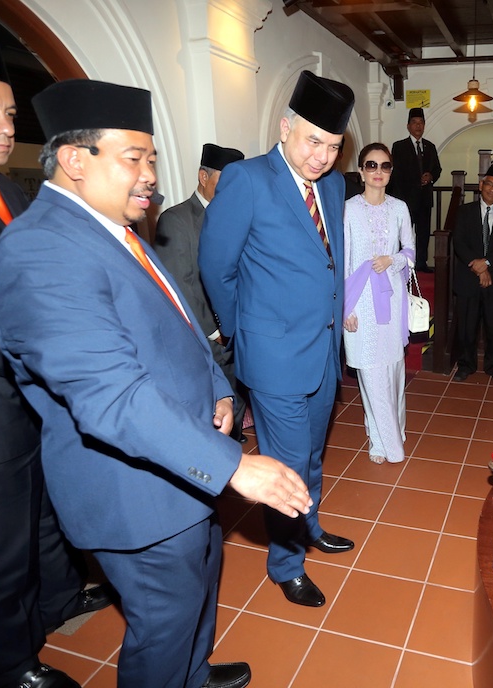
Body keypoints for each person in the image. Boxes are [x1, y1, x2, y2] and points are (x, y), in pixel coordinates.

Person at [0, 78, 313, 688]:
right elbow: (109, 395)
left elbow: (181, 324)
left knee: (196, 592)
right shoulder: (41, 249)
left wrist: (218, 388)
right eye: (133, 158)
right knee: (162, 625)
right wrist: (233, 466)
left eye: (153, 158)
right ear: (74, 159)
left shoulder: (119, 229)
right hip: (133, 487)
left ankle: (193, 673)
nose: (149, 174)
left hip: (181, 467)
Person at [0, 37, 114, 688]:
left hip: (33, 402)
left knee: (44, 515)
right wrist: (55, 353)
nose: (5, 125)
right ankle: (7, 665)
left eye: (11, 114)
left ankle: (58, 601)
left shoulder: (11, 192)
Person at [199, 70, 356, 609]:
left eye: (333, 147)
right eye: (314, 141)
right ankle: (286, 564)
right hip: (273, 358)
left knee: (311, 457)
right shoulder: (247, 179)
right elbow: (216, 267)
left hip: (321, 354)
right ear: (286, 127)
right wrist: (245, 333)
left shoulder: (333, 186)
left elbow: (329, 265)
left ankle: (308, 528)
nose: (322, 157)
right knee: (286, 464)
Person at [154, 143, 247, 442]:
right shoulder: (177, 220)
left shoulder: (239, 217)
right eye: (223, 183)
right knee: (213, 401)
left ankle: (236, 433)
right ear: (203, 177)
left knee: (239, 386)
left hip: (239, 327)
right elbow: (180, 285)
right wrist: (213, 332)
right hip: (206, 332)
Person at [342, 143, 415, 464]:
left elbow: (412, 253)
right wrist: (346, 308)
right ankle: (383, 441)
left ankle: (389, 431)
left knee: (393, 371)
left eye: (384, 166)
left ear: (391, 172)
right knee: (369, 372)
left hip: (391, 297)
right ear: (360, 171)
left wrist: (394, 259)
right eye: (371, 166)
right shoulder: (347, 209)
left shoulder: (400, 208)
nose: (378, 172)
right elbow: (341, 261)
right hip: (359, 299)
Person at [452, 164, 493, 384]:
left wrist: (487, 263)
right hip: (467, 279)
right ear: (481, 185)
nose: (492, 189)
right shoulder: (464, 211)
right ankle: (465, 365)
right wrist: (479, 267)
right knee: (467, 326)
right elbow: (459, 242)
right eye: (489, 184)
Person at [388, 107, 442, 272]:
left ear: (424, 125)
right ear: (408, 126)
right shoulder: (399, 146)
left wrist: (430, 176)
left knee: (423, 233)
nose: (418, 126)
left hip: (425, 199)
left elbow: (437, 169)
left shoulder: (430, 147)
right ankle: (400, 263)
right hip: (406, 199)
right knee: (402, 234)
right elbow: (396, 174)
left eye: (421, 123)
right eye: (414, 123)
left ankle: (421, 264)